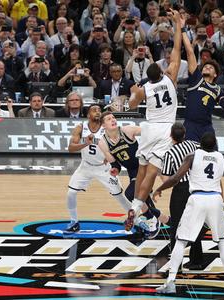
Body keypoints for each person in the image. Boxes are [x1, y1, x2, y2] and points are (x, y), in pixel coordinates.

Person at [153, 132, 224, 294]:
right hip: (216, 200)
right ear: (215, 144)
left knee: (181, 241)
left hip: (197, 199)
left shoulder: (192, 157)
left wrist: (160, 188)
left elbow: (175, 179)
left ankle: (171, 282)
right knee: (222, 242)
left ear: (200, 145)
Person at [125, 8, 182, 233]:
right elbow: (176, 50)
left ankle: (135, 206)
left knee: (141, 170)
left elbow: (130, 106)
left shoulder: (143, 89)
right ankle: (138, 206)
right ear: (161, 70)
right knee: (152, 173)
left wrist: (133, 92)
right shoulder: (171, 77)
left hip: (148, 129)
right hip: (165, 129)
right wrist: (178, 24)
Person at [63, 104, 132, 233]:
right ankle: (74, 222)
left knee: (119, 196)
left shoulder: (106, 128)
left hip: (104, 168)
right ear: (88, 114)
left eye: (99, 110)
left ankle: (137, 220)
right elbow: (71, 148)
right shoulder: (80, 128)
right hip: (86, 166)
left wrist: (111, 156)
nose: (98, 112)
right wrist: (85, 143)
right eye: (94, 110)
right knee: (71, 193)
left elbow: (117, 144)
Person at [99, 111, 168, 238]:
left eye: (113, 117)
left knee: (132, 194)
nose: (113, 120)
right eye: (108, 119)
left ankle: (152, 218)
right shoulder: (102, 142)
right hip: (132, 171)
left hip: (144, 165)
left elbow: (149, 132)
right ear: (103, 125)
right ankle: (165, 220)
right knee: (143, 197)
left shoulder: (127, 130)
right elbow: (115, 164)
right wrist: (115, 170)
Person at [181, 16, 224, 141]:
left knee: (213, 155)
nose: (207, 68)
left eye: (210, 67)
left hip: (206, 127)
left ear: (215, 74)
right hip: (190, 125)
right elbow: (190, 53)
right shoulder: (196, 79)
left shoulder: (218, 89)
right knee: (189, 157)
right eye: (205, 67)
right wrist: (182, 29)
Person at [160, 123, 204, 269]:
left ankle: (175, 262)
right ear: (184, 134)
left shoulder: (169, 153)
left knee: (176, 225)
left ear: (171, 136)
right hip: (197, 187)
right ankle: (197, 260)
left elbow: (167, 180)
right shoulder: (193, 145)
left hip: (181, 190)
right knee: (195, 223)